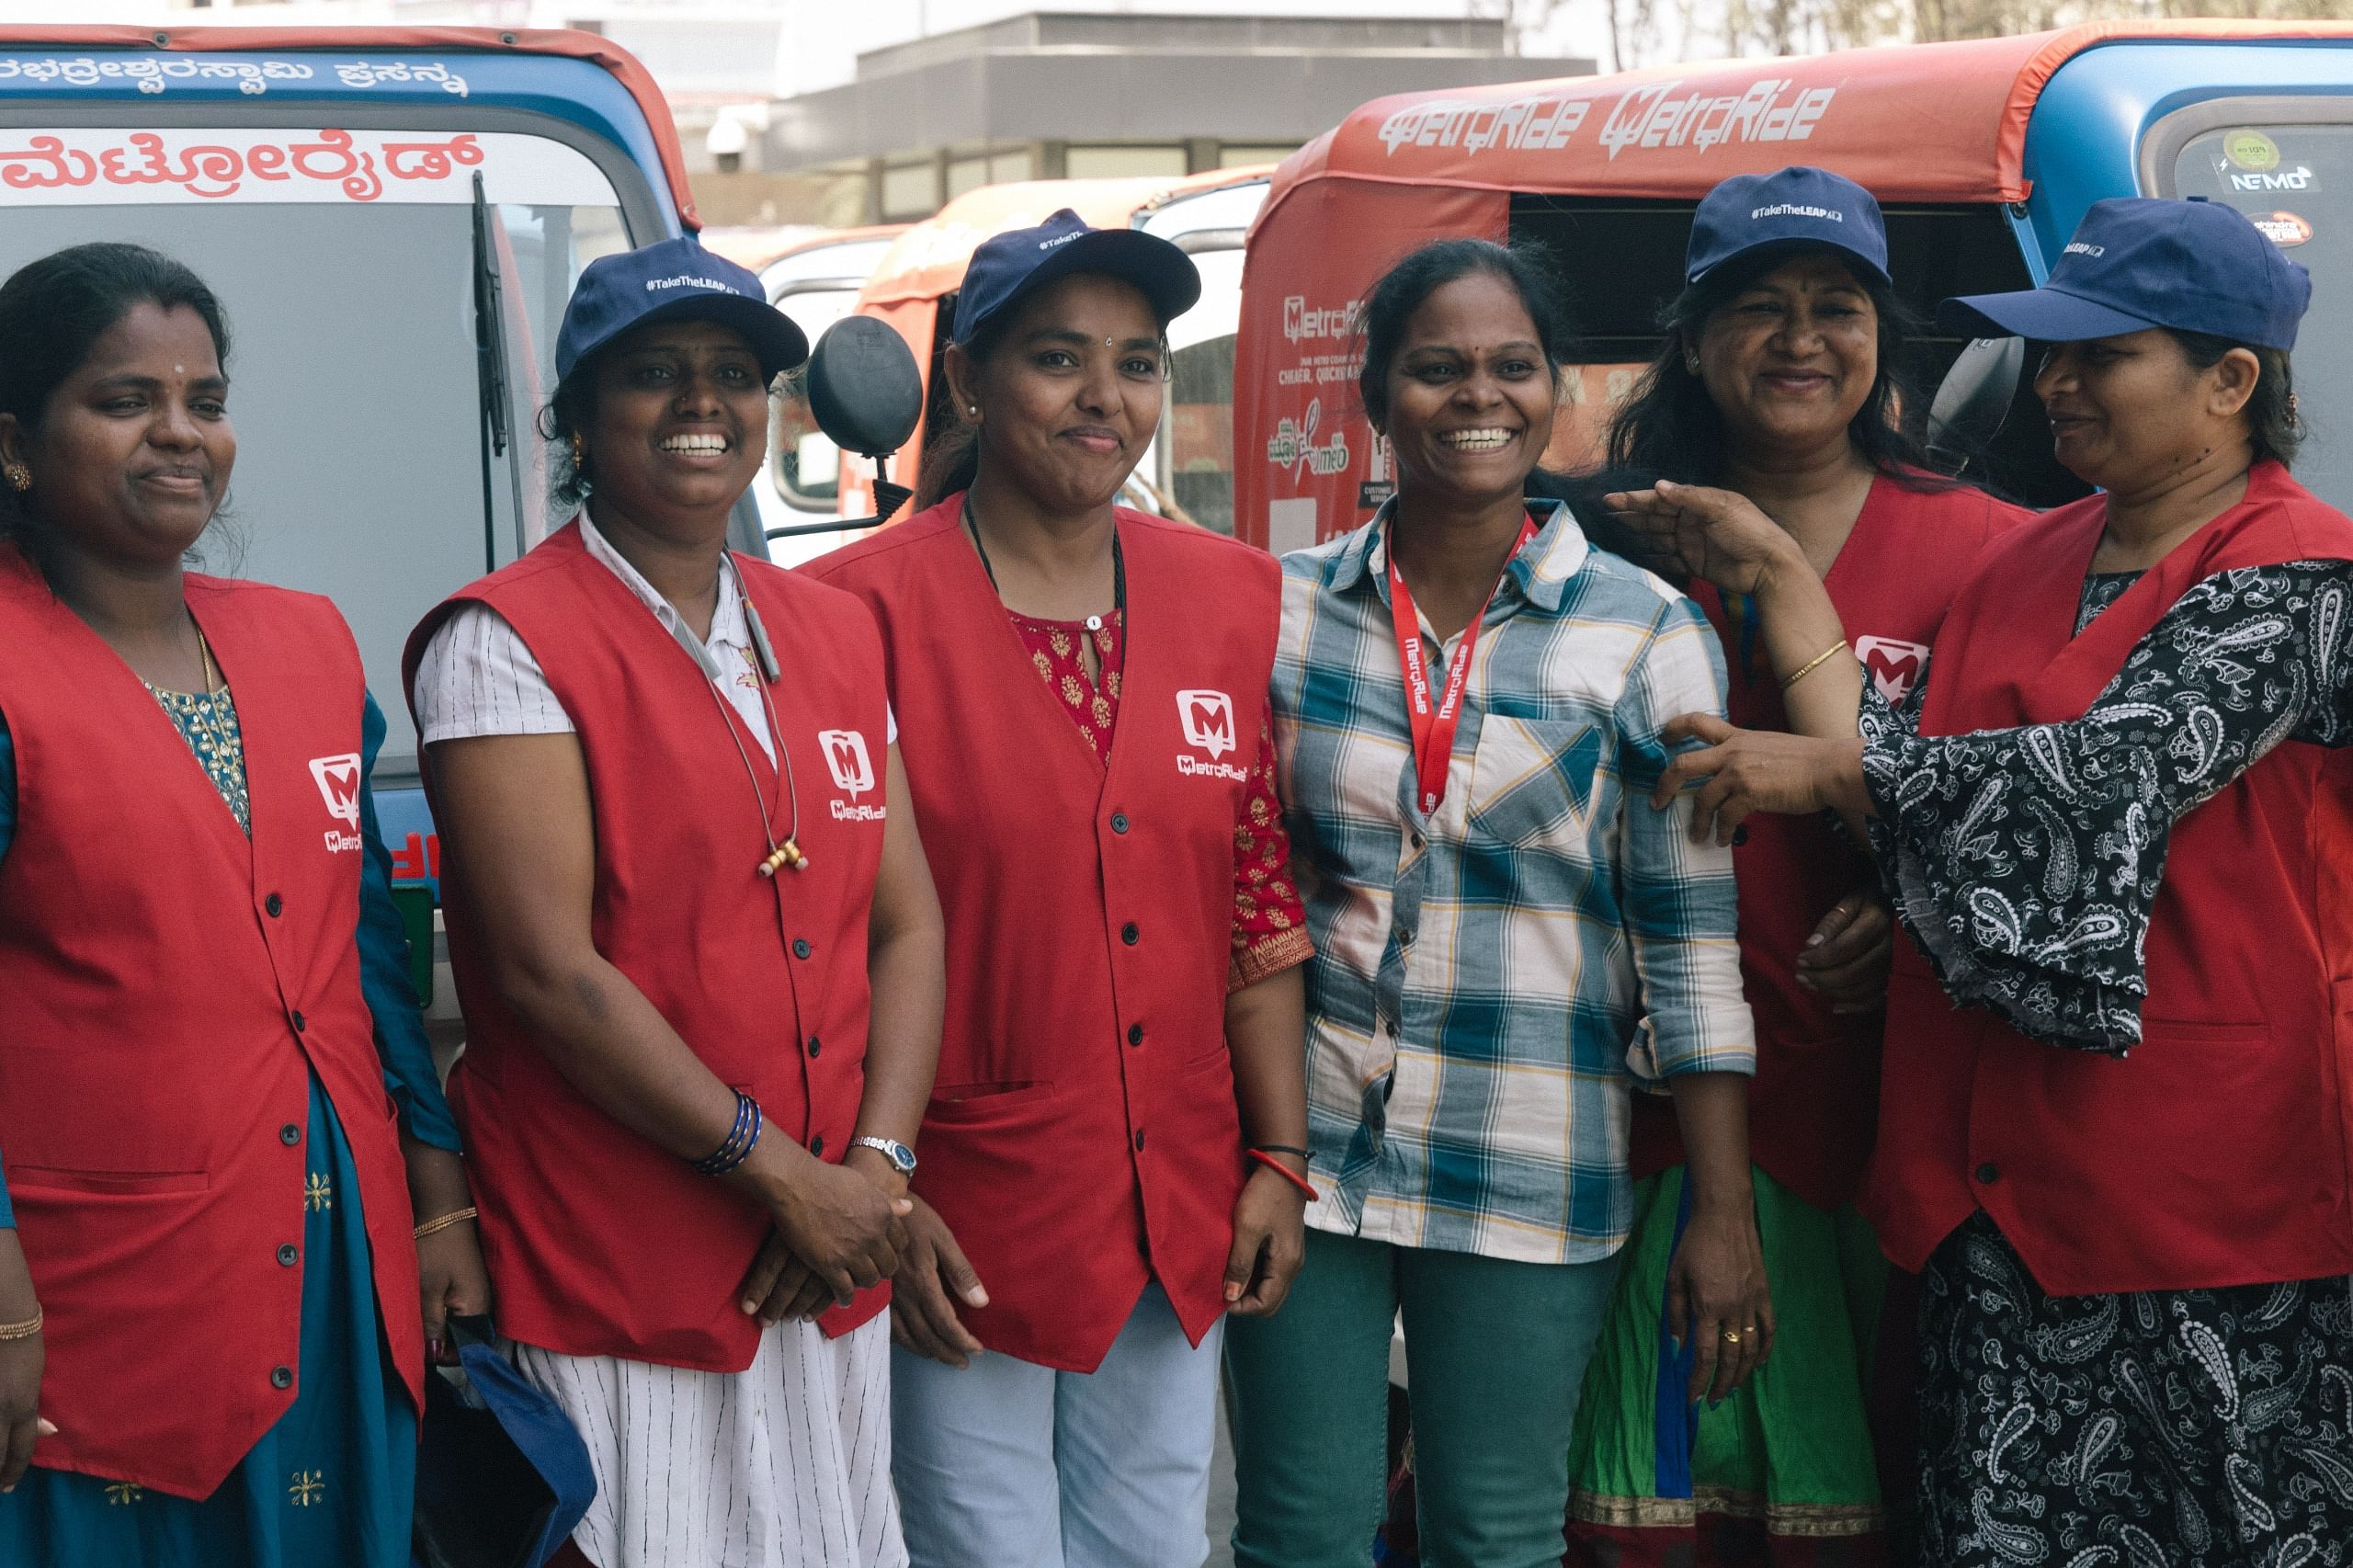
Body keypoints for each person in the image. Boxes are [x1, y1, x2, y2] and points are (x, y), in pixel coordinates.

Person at [1619, 196, 2353, 1562]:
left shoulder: (2303, 574)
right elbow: (1910, 771)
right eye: (2048, 352)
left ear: (2232, 382)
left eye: (2099, 355)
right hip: (1983, 1196)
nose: (2055, 383)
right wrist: (1787, 583)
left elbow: (2098, 784)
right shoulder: (2025, 556)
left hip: (2203, 1193)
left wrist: (1830, 778)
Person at [405, 237, 946, 1568]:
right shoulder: (505, 639)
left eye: (735, 376)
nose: (703, 404)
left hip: (815, 1264)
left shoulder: (831, 630)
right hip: (617, 1253)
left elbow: (908, 921)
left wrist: (873, 1173)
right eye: (655, 375)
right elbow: (550, 976)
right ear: (580, 418)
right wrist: (782, 1178)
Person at [1226, 236, 1766, 1568]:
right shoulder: (1280, 613)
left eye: (1512, 365)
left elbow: (1691, 947)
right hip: (1305, 1159)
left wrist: (1722, 1208)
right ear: (1377, 394)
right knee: (1298, 1535)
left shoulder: (1644, 629)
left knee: (1497, 1537)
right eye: (1437, 367)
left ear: (1556, 389)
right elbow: (1243, 895)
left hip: (1531, 1153)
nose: (1479, 394)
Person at [805, 210, 1313, 1568]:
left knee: (1155, 1547)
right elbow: (822, 937)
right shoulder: (849, 613)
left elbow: (1255, 905)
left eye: (1140, 363)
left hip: (1176, 1190)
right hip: (962, 1204)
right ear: (967, 378)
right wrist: (881, 1188)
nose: (1107, 398)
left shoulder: (1230, 593)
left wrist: (1280, 1156)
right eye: (1058, 358)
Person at [1564, 167, 2029, 1564]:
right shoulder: (1598, 547)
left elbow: (2027, 823)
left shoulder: (1993, 552)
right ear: (1694, 340)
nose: (1801, 339)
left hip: (1896, 1124)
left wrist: (1920, 911)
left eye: (1837, 306)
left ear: (1884, 337)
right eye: (1759, 309)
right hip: (1648, 1127)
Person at [0, 242, 485, 1566]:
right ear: (16, 445)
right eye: (123, 401)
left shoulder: (307, 642)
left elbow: (371, 965)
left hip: (330, 1254)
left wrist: (437, 1200)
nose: (179, 434)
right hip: (97, 1284)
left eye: (204, 401)